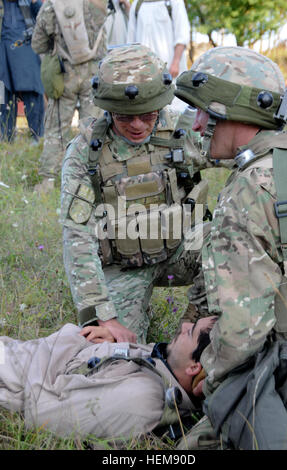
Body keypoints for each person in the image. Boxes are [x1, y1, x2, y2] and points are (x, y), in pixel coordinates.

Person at [173, 46, 287, 450]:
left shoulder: (248, 190)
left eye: (205, 112)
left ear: (236, 111)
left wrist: (204, 375)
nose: (197, 126)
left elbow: (242, 334)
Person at [60, 43, 220, 345]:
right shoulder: (85, 153)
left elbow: (243, 153)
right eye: (124, 117)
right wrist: (105, 315)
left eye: (147, 115)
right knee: (114, 350)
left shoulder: (180, 130)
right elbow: (76, 235)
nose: (137, 125)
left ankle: (193, 333)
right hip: (123, 266)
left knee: (231, 241)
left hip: (180, 249)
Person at [0, 316, 216, 441]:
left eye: (191, 332)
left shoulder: (142, 399)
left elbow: (42, 415)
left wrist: (75, 345)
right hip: (19, 354)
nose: (185, 325)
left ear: (194, 367)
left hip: (11, 374)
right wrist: (112, 346)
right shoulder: (163, 364)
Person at [31, 0, 107, 194]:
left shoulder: (50, 5)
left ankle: (48, 181)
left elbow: (38, 45)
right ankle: (91, 179)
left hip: (64, 74)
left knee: (57, 127)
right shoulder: (97, 2)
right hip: (94, 74)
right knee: (92, 127)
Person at [126, 0, 190, 113]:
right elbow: (131, 43)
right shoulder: (137, 4)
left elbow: (182, 34)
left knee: (174, 111)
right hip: (144, 75)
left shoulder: (174, 2)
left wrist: (176, 62)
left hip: (170, 72)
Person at [0, 0, 44, 143]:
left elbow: (44, 18)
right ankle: (4, 143)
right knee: (2, 98)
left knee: (33, 94)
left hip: (26, 50)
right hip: (3, 53)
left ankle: (37, 140)